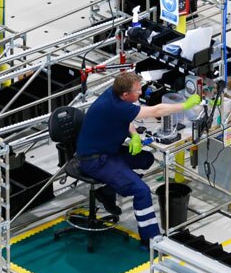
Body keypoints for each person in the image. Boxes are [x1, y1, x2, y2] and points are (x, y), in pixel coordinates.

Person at [75, 72, 201, 245]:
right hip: (96, 161)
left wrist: (133, 134)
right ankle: (150, 238)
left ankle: (107, 189)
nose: (141, 93)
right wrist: (185, 105)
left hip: (107, 150)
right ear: (125, 94)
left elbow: (125, 118)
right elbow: (157, 110)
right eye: (137, 90)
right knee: (141, 190)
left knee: (146, 159)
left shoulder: (112, 95)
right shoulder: (118, 105)